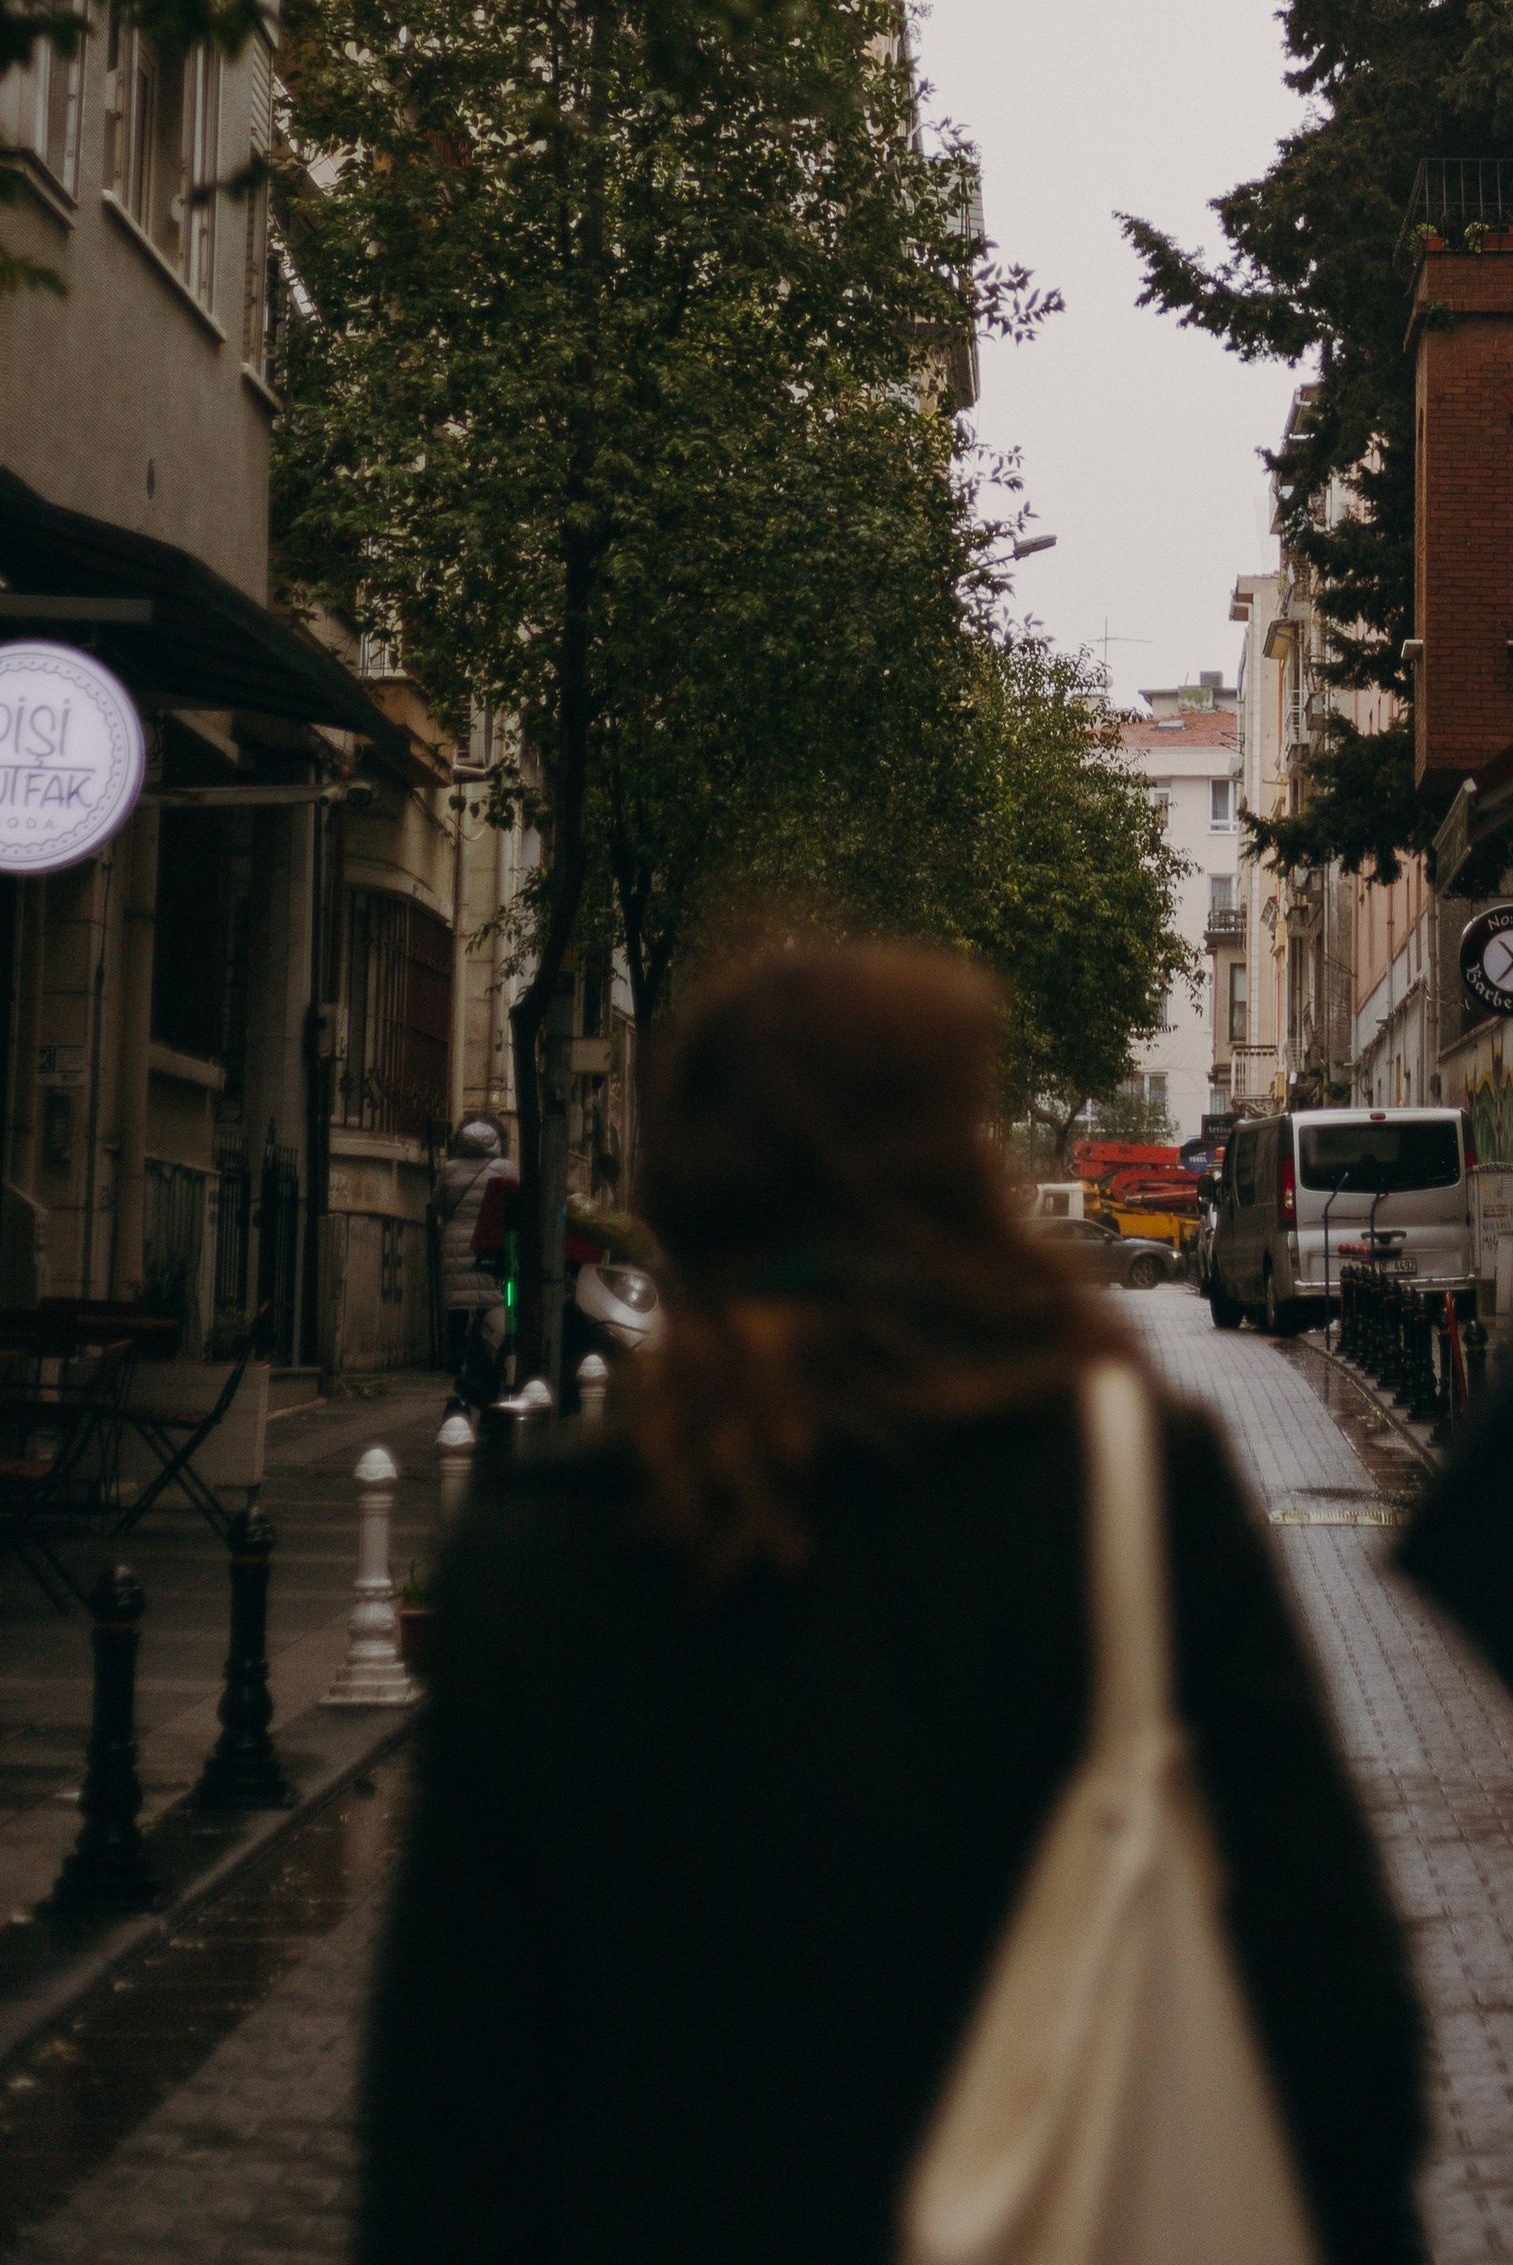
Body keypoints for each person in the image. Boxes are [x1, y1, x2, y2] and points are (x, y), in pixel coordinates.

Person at [361, 934, 1425, 2265]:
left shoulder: (551, 1556)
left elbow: (452, 2107)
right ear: (958, 1176)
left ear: (687, 1198)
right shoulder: (1129, 1494)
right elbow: (1330, 2000)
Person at [431, 1114, 510, 1415]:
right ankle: (485, 1352)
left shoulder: (450, 1170)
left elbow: (438, 1205)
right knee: (490, 1301)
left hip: (455, 1244)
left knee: (456, 1305)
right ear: (496, 1142)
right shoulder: (505, 1168)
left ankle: (454, 1357)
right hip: (490, 1243)